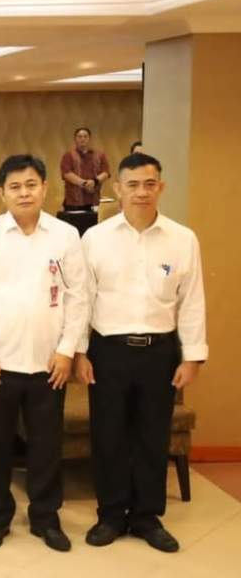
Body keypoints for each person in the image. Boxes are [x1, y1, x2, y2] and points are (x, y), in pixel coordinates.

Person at [73, 152, 206, 554]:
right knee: (108, 434)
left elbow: (192, 301)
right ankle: (111, 514)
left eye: (149, 184)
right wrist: (79, 352)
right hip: (108, 350)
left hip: (159, 352)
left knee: (152, 435)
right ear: (118, 189)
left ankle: (147, 516)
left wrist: (192, 356)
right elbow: (82, 300)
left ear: (160, 187)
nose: (141, 192)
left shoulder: (182, 239)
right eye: (132, 185)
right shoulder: (95, 239)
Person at [0, 154, 88, 553]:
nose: (24, 193)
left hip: (50, 362)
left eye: (31, 184)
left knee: (46, 446)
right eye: (15, 187)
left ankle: (46, 517)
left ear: (45, 187)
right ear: (1, 192)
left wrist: (67, 350)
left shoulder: (65, 236)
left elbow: (78, 296)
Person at [59, 127, 111, 235]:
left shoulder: (100, 155)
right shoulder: (68, 155)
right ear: (75, 139)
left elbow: (106, 172)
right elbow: (67, 174)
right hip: (73, 203)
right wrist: (84, 183)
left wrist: (95, 181)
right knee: (73, 233)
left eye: (85, 136)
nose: (82, 139)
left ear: (89, 138)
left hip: (93, 202)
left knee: (92, 233)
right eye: (79, 136)